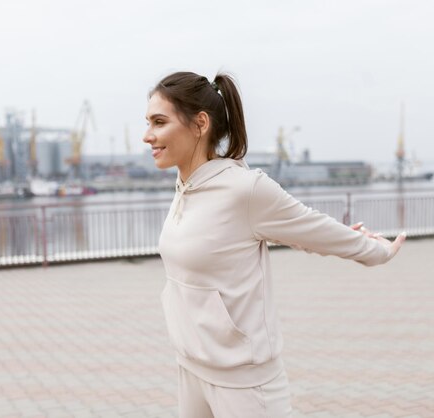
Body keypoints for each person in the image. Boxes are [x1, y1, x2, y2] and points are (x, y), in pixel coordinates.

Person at [143, 71, 407, 418]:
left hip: (245, 382)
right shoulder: (184, 186)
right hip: (190, 368)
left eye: (159, 122)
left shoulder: (244, 189)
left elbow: (310, 226)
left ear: (200, 124)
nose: (147, 136)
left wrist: (376, 250)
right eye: (148, 122)